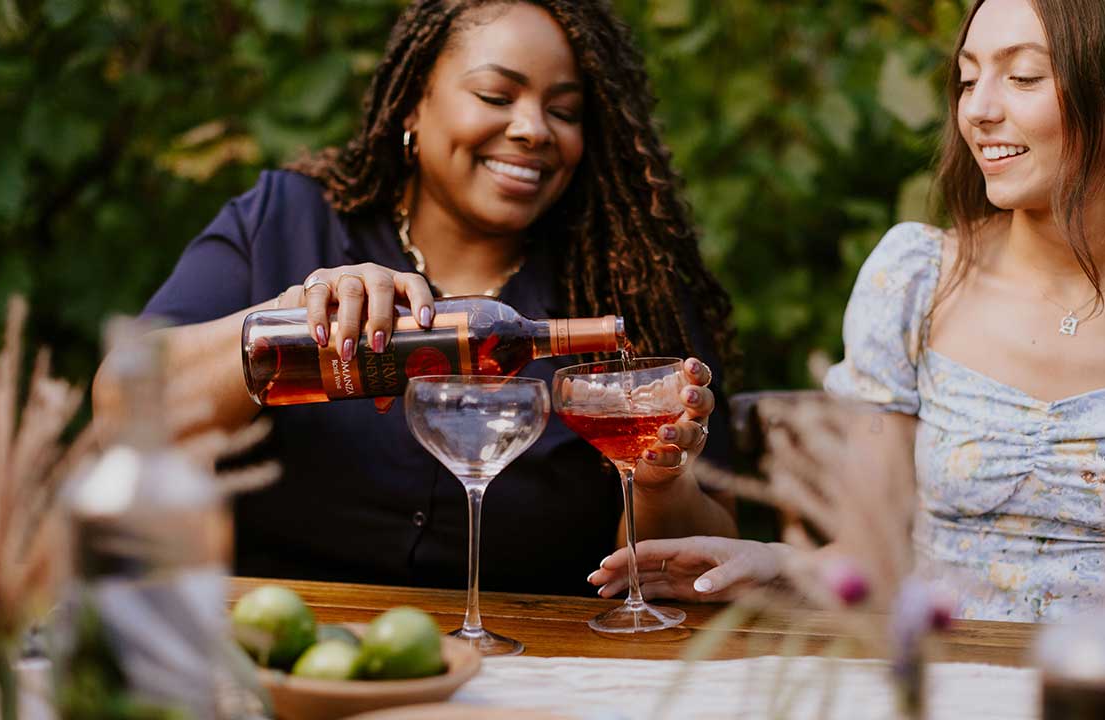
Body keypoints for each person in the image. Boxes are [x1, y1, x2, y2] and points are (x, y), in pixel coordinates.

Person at [95, 0, 739, 596]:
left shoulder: (633, 279)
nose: (532, 128)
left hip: (534, 667)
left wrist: (661, 480)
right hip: (278, 650)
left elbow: (701, 561)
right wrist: (287, 317)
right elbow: (123, 408)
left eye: (565, 112)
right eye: (496, 94)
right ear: (413, 103)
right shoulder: (285, 222)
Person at [591, 0, 1105, 622]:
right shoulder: (918, 280)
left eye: (1024, 77)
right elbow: (872, 562)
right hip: (935, 686)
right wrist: (771, 565)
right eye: (966, 79)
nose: (979, 109)